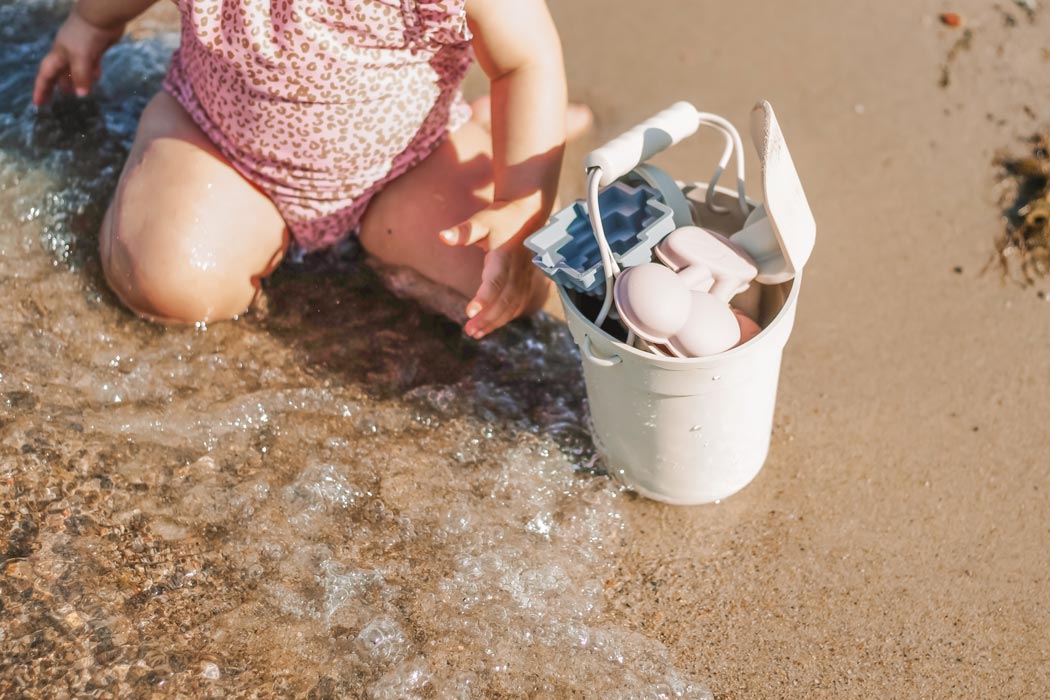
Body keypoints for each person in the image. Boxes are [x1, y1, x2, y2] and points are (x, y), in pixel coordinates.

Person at [34, 0, 590, 338]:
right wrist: (91, 23)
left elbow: (524, 59)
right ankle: (166, 151)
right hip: (220, 140)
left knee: (502, 290)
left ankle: (499, 128)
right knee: (167, 282)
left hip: (407, 159)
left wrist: (522, 201)